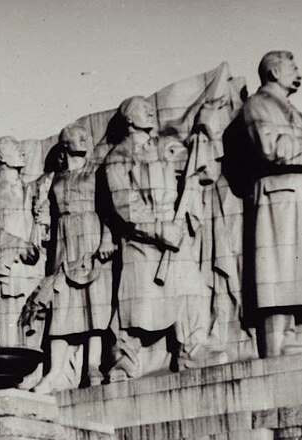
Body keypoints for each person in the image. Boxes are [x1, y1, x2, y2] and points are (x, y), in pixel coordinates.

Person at [102, 96, 212, 380]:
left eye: (151, 109)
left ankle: (192, 350)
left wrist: (203, 134)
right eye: (143, 110)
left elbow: (192, 167)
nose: (150, 113)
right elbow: (123, 205)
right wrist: (159, 230)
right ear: (128, 119)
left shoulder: (165, 147)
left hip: (176, 236)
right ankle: (123, 361)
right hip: (143, 241)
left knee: (193, 292)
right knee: (137, 308)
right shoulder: (118, 156)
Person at [241, 51, 302, 358]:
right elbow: (270, 149)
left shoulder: (296, 112)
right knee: (280, 275)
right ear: (275, 71)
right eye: (294, 67)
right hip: (278, 199)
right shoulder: (258, 105)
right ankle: (279, 343)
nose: (300, 73)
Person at [32, 123, 115, 392]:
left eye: (86, 135)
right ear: (64, 145)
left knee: (95, 304)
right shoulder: (52, 178)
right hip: (63, 241)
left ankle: (92, 365)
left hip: (91, 235)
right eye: (76, 136)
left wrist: (106, 239)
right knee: (62, 305)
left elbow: (109, 209)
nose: (84, 138)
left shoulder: (97, 172)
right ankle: (55, 371)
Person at [0, 136, 47, 349]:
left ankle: (31, 375)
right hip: (7, 266)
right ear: (0, 157)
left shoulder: (30, 189)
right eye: (15, 149)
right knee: (6, 329)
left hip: (33, 266)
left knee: (33, 320)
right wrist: (17, 245)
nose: (22, 152)